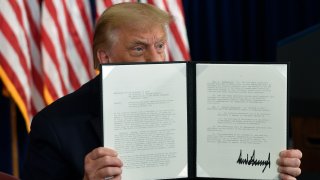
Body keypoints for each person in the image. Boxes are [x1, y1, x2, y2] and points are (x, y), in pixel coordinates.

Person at [23, 2, 302, 180]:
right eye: (139, 48)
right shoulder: (54, 125)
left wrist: (274, 172)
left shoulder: (198, 102)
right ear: (104, 57)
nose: (156, 60)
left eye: (159, 46)